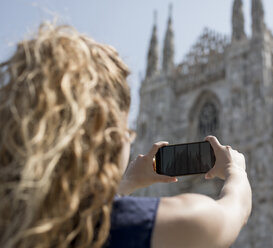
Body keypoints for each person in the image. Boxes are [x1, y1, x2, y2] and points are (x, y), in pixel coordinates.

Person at [0, 23, 252, 248]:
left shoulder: (16, 222)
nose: (130, 139)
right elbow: (232, 213)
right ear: (109, 138)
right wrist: (235, 170)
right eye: (128, 130)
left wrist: (127, 182)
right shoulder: (132, 224)